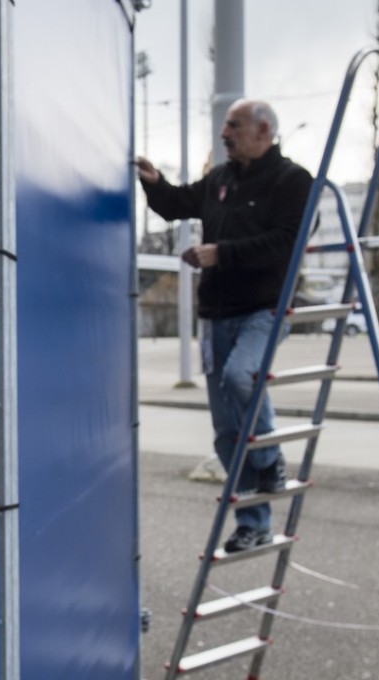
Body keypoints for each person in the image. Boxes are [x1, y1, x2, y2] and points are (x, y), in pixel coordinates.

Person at [136, 99, 313, 552]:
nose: (224, 133)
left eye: (233, 126)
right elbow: (177, 204)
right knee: (225, 432)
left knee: (241, 375)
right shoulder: (220, 180)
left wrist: (223, 252)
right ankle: (253, 523)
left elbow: (288, 242)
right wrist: (154, 184)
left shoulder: (292, 181)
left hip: (263, 308)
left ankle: (271, 459)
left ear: (263, 131)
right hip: (217, 316)